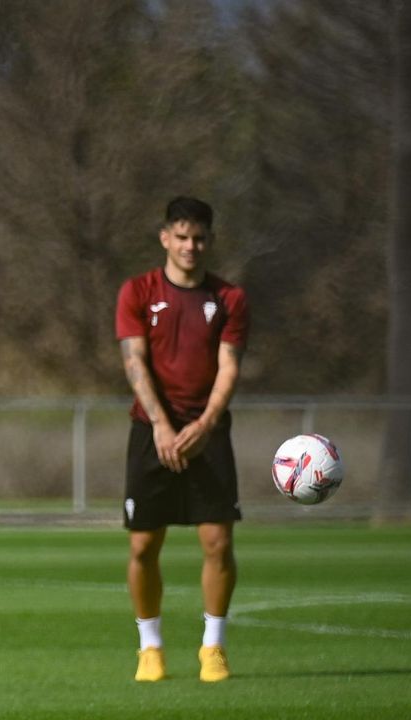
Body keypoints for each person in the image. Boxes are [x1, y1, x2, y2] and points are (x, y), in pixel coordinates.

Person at [114, 196, 247, 684]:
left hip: (206, 433)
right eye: (182, 236)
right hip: (152, 431)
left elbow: (229, 367)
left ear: (209, 241)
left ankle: (213, 647)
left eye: (200, 238)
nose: (191, 246)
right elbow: (135, 364)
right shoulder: (138, 291)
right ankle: (150, 647)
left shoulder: (229, 299)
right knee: (144, 545)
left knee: (217, 542)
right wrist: (162, 426)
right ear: (165, 237)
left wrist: (205, 425)